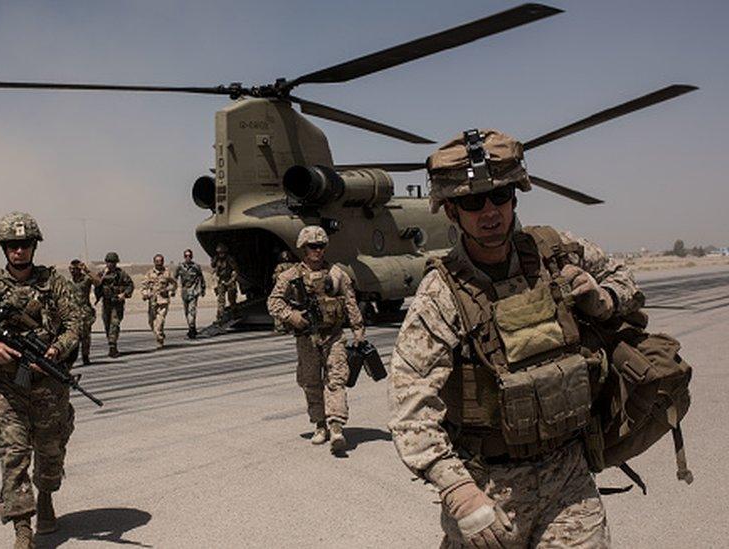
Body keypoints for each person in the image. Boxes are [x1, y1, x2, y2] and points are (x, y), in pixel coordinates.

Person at [387, 130, 644, 547]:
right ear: (452, 212)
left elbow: (624, 280)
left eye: (500, 196)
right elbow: (410, 406)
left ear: (515, 198)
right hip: (489, 486)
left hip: (569, 477)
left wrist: (602, 299)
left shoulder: (557, 252)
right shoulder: (441, 295)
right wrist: (458, 492)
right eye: (472, 202)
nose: (489, 211)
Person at [0, 212, 85, 548]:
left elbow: (76, 323)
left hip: (49, 387)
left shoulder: (54, 284)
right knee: (13, 455)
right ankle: (22, 529)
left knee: (51, 452)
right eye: (13, 245)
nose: (19, 251)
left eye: (25, 244)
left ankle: (45, 497)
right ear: (4, 248)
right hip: (6, 389)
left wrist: (57, 349)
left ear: (34, 246)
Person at [267, 226, 365, 454]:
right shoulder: (290, 276)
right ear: (303, 248)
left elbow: (350, 303)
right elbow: (273, 302)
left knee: (336, 380)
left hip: (333, 336)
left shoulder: (337, 274)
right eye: (313, 246)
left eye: (321, 246)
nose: (317, 251)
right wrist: (291, 315)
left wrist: (358, 330)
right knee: (311, 383)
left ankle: (336, 426)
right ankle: (320, 425)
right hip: (307, 339)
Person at [94, 252, 134, 358]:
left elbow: (130, 285)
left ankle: (113, 346)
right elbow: (96, 285)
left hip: (117, 303)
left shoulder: (121, 274)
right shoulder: (101, 274)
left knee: (114, 324)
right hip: (106, 303)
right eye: (108, 262)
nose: (110, 264)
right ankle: (111, 343)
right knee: (107, 324)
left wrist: (124, 294)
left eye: (113, 262)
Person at [141, 253, 177, 349]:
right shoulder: (149, 273)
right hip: (152, 300)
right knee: (151, 321)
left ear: (163, 262)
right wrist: (145, 294)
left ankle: (159, 337)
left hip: (163, 300)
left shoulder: (167, 273)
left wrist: (169, 290)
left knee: (160, 321)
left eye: (160, 261)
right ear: (154, 262)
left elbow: (173, 284)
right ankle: (159, 335)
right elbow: (144, 285)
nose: (159, 263)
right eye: (157, 261)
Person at [68, 259, 101, 365]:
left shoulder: (86, 279)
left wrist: (87, 270)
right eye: (71, 269)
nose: (72, 271)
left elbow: (98, 282)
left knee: (86, 336)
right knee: (73, 336)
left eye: (75, 269)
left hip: (85, 312)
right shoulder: (68, 282)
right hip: (72, 313)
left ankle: (85, 356)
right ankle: (71, 358)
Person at [174, 248, 206, 339]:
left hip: (193, 291)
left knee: (192, 310)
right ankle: (192, 327)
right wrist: (173, 289)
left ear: (192, 256)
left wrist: (203, 289)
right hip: (184, 292)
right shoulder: (180, 267)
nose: (188, 257)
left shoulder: (196, 266)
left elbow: (201, 278)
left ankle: (191, 328)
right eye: (186, 256)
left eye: (189, 256)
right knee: (186, 311)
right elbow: (174, 278)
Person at [211, 242, 239, 323]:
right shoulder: (217, 259)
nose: (221, 254)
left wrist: (231, 281)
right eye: (219, 253)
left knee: (232, 300)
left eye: (222, 252)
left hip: (230, 280)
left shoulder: (230, 259)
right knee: (221, 300)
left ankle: (235, 314)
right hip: (221, 281)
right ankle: (220, 317)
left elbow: (235, 271)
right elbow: (214, 269)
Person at [271, 250, 296, 333]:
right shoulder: (294, 266)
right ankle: (291, 326)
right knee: (292, 306)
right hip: (292, 289)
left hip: (283, 288)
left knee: (279, 305)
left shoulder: (280, 266)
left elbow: (276, 277)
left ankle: (280, 326)